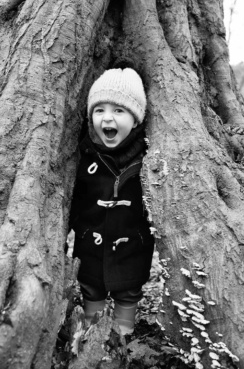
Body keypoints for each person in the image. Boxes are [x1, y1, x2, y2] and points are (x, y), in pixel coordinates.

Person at [69, 68, 154, 336]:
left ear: (136, 118)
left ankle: (122, 335)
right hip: (90, 242)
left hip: (132, 245)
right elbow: (74, 199)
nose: (107, 117)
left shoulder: (147, 156)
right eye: (99, 110)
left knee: (128, 291)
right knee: (91, 286)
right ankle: (92, 333)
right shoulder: (86, 154)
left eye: (119, 111)